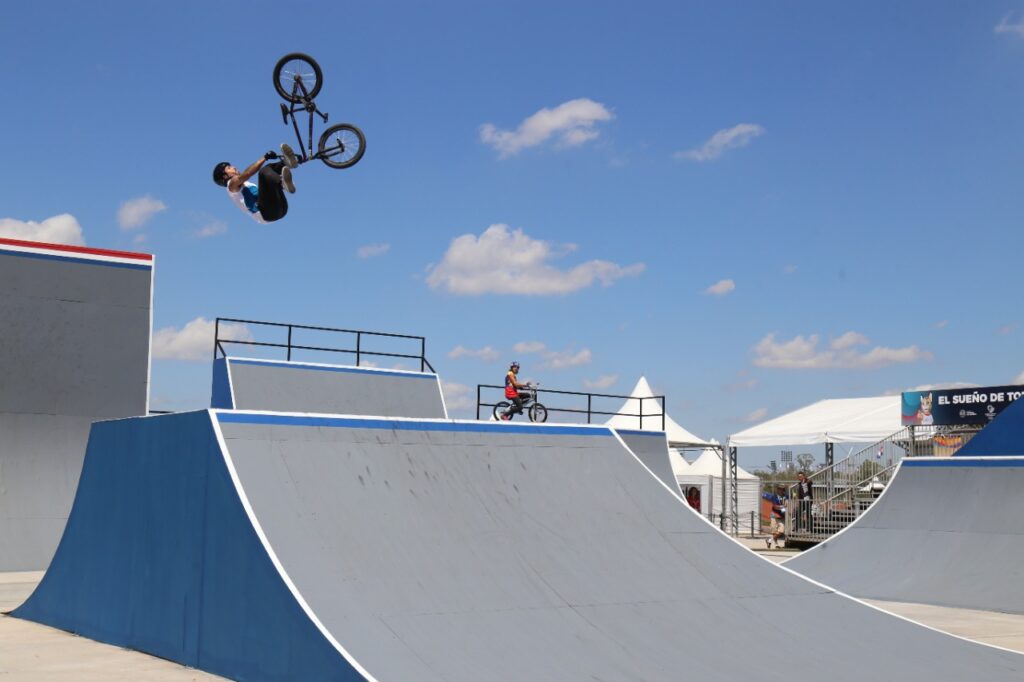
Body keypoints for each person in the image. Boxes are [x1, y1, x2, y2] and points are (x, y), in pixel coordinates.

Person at [212, 144, 299, 224]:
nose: (234, 167)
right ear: (225, 176)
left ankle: (288, 162)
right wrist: (265, 157)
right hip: (267, 213)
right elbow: (247, 174)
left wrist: (299, 160)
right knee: (263, 172)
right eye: (229, 168)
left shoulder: (248, 185)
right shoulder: (231, 187)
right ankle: (281, 182)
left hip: (281, 208)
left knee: (269, 169)